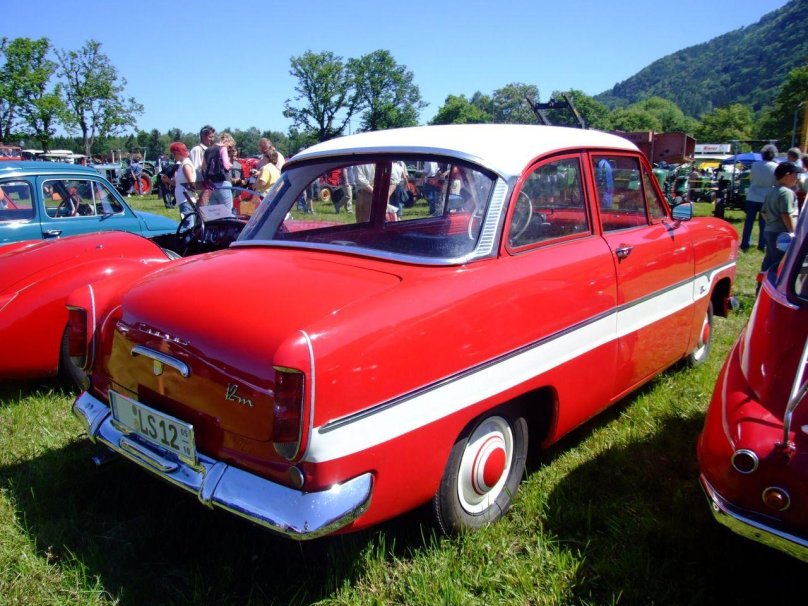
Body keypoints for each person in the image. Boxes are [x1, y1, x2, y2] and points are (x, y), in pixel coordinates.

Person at [760, 161, 798, 272]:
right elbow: (786, 214)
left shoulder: (771, 191)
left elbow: (763, 212)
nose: (796, 178)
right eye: (795, 175)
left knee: (769, 259)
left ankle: (761, 284)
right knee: (779, 262)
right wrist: (793, 233)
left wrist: (771, 222)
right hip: (782, 233)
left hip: (769, 230)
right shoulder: (786, 193)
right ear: (787, 175)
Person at [742, 144, 778, 252]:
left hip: (753, 195)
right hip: (766, 196)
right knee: (764, 223)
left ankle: (745, 243)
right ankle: (762, 244)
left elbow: (751, 179)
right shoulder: (775, 166)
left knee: (749, 221)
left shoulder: (755, 165)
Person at [202, 132, 236, 213]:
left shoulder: (208, 150)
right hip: (223, 183)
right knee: (227, 211)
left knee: (216, 212)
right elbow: (226, 165)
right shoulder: (223, 148)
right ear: (226, 141)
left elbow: (203, 166)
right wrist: (231, 164)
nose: (229, 148)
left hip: (211, 185)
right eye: (230, 146)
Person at [168, 141, 196, 218]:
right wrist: (168, 180)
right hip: (183, 200)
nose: (173, 156)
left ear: (179, 153)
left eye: (174, 154)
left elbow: (191, 183)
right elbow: (179, 184)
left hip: (187, 200)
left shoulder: (186, 165)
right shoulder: (182, 164)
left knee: (188, 225)